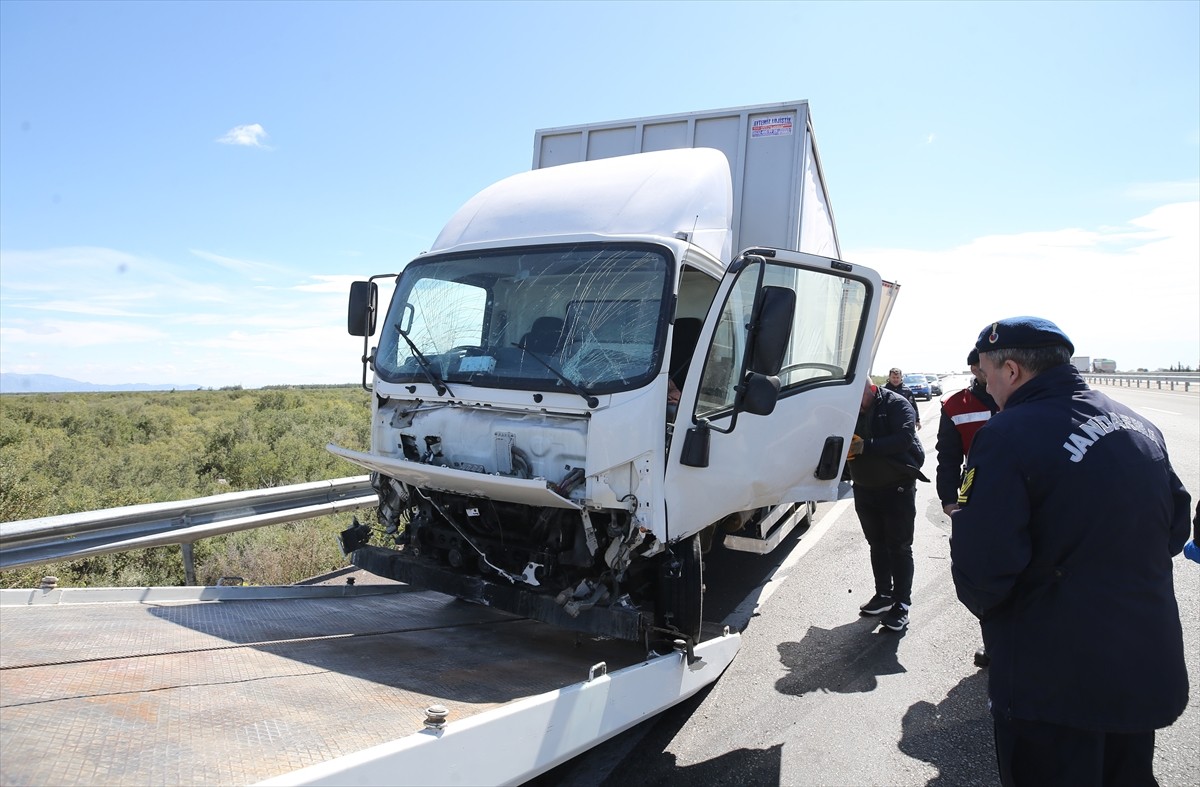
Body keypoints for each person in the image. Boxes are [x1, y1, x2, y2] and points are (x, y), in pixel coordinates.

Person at [949, 316, 1191, 787]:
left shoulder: (1006, 434)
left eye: (986, 374)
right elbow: (1175, 530)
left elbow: (984, 571)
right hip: (1138, 665)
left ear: (1013, 371)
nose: (986, 387)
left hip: (1054, 684)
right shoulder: (1139, 425)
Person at [847, 378, 927, 631]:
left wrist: (864, 447)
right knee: (876, 545)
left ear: (870, 389)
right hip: (864, 489)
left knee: (899, 547)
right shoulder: (848, 407)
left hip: (897, 489)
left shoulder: (896, 404)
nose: (853, 406)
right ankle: (883, 595)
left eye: (856, 399)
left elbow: (904, 439)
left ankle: (902, 604)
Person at [935, 347, 998, 668]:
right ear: (976, 369)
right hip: (977, 500)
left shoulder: (1021, 397)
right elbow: (947, 458)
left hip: (1026, 496)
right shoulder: (956, 405)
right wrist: (948, 501)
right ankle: (995, 644)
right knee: (984, 575)